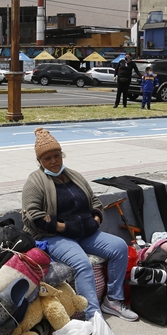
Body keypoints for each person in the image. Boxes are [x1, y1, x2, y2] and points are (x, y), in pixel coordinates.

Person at [21, 128, 137, 321]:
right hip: (55, 237)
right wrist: (63, 227)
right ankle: (93, 317)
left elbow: (95, 202)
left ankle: (113, 301)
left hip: (85, 232)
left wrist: (96, 220)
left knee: (119, 247)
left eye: (56, 156)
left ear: (62, 155)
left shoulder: (74, 175)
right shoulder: (35, 181)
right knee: (82, 264)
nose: (53, 161)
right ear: (40, 162)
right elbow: (32, 214)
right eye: (47, 158)